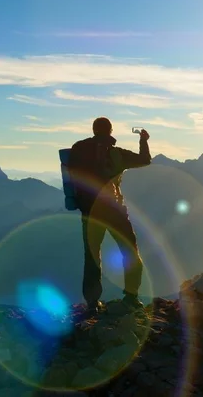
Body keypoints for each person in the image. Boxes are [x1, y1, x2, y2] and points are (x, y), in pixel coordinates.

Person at [68, 117, 151, 315]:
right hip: (114, 211)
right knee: (129, 251)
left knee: (92, 256)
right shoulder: (117, 154)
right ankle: (131, 298)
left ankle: (92, 303)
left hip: (89, 212)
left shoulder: (78, 150)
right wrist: (143, 140)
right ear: (111, 131)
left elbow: (72, 174)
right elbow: (144, 160)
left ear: (94, 130)